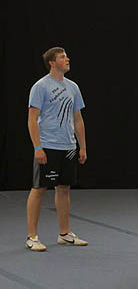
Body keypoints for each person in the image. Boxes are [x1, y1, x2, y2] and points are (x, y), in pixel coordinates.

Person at [25, 47, 88, 251]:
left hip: (68, 146)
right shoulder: (40, 87)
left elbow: (78, 119)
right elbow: (32, 119)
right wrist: (37, 147)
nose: (67, 59)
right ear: (52, 63)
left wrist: (82, 147)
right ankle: (32, 236)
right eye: (62, 57)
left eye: (66, 56)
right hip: (48, 145)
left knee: (64, 188)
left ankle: (64, 233)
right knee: (39, 188)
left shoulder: (73, 87)